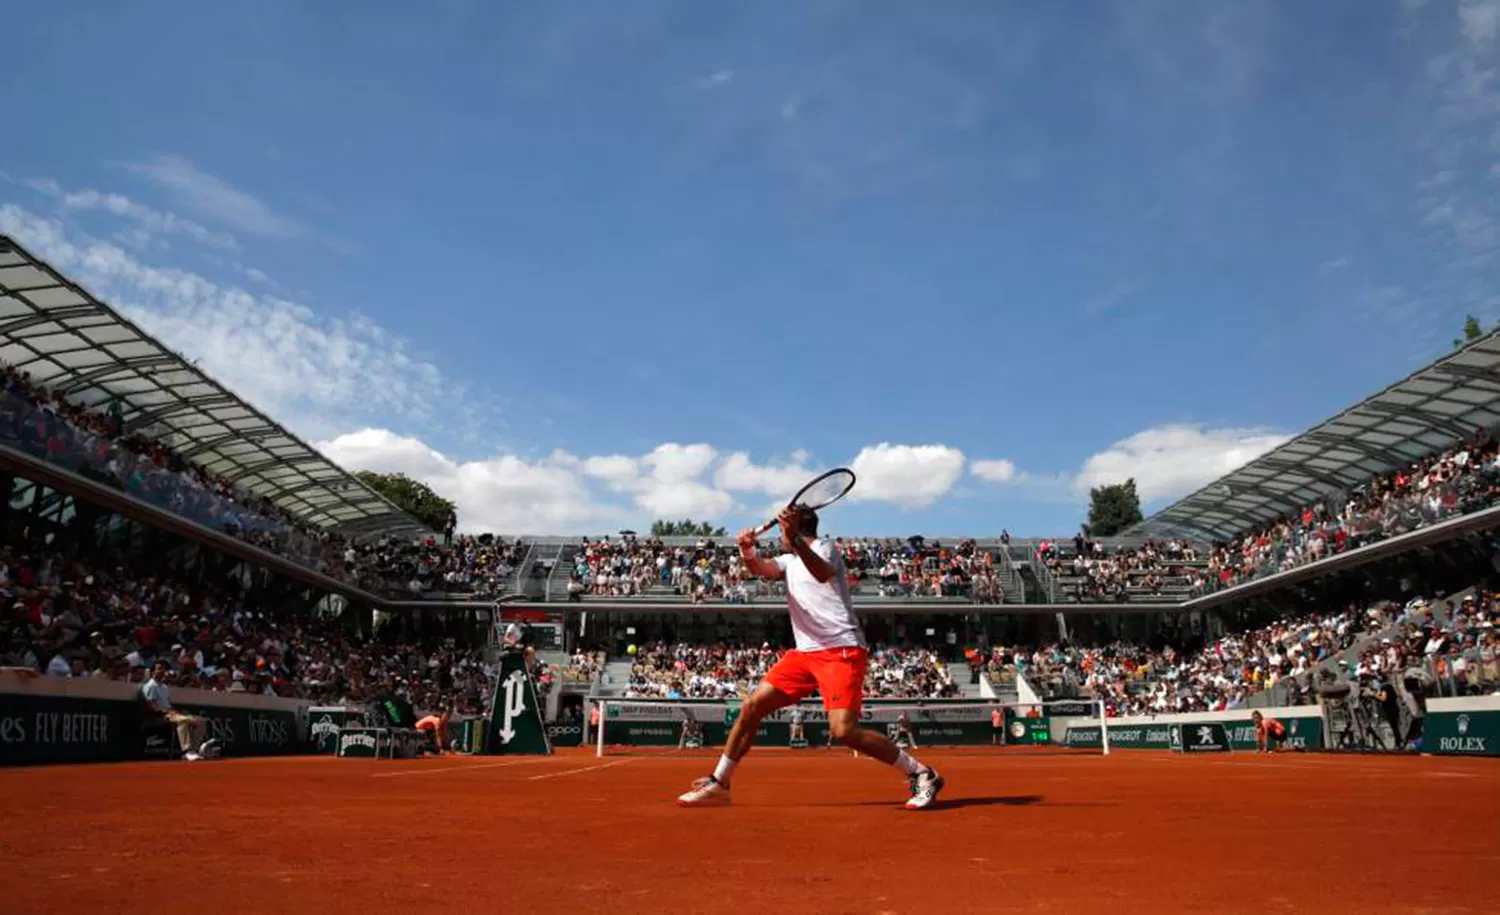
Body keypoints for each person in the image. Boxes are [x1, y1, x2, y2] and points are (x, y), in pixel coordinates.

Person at [676, 504, 945, 810]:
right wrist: (747, 551)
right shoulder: (789, 560)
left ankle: (922, 773)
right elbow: (760, 570)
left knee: (843, 730)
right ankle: (720, 783)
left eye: (783, 530)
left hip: (840, 649)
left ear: (796, 528)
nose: (780, 536)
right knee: (752, 706)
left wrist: (796, 540)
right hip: (804, 653)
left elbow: (821, 573)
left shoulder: (825, 548)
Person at [140, 660, 216, 761]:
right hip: (156, 718)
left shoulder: (164, 687)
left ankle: (195, 749)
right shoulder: (150, 686)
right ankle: (186, 751)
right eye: (159, 669)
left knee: (201, 721)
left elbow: (168, 705)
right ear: (152, 672)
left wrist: (176, 712)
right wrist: (168, 712)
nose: (162, 671)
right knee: (183, 720)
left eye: (163, 669)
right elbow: (151, 706)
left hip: (168, 715)